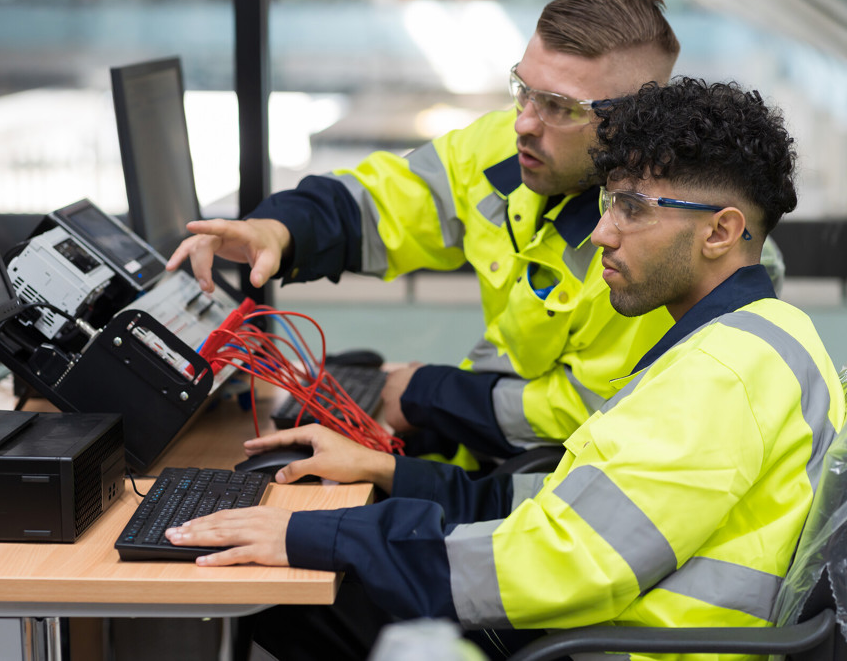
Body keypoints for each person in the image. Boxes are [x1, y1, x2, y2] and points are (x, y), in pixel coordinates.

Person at [166, 77, 845, 661]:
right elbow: (574, 515)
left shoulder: (720, 375)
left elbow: (560, 563)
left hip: (612, 645)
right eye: (610, 203)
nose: (603, 233)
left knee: (291, 595)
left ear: (721, 232)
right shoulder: (759, 338)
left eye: (633, 210)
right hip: (608, 622)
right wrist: (390, 475)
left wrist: (318, 532)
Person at [167, 0, 682, 466]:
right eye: (523, 89)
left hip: (553, 489)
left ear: (631, 121)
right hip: (493, 449)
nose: (524, 121)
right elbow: (390, 200)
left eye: (558, 107)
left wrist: (427, 395)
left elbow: (588, 416)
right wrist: (279, 229)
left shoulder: (656, 249)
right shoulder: (509, 147)